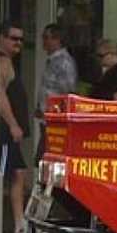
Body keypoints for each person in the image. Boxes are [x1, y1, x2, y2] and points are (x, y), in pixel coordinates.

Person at [0, 20, 31, 233]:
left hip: (10, 133)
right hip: (4, 132)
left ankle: (20, 229)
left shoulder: (9, 62)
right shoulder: (2, 62)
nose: (17, 42)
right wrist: (13, 124)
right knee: (2, 177)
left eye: (20, 39)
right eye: (13, 38)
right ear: (1, 38)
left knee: (18, 174)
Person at [35, 24, 77, 160]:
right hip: (47, 116)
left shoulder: (63, 62)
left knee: (50, 154)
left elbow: (67, 90)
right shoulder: (52, 61)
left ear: (57, 40)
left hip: (55, 117)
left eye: (47, 38)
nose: (44, 42)